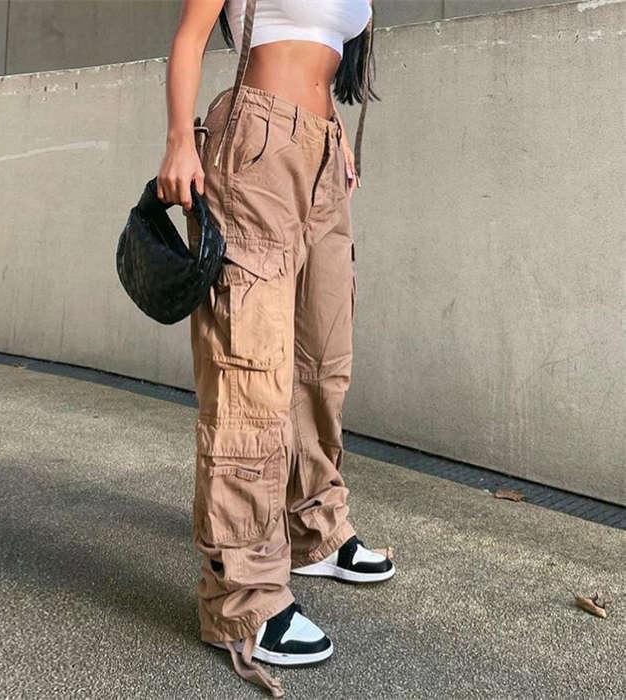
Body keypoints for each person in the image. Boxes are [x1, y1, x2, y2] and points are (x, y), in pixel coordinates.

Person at [158, 0, 394, 695]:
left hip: (322, 154)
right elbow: (190, 37)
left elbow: (330, 54)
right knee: (250, 371)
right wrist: (179, 140)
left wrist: (334, 139)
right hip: (256, 142)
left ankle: (313, 528)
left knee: (323, 360)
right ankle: (243, 599)